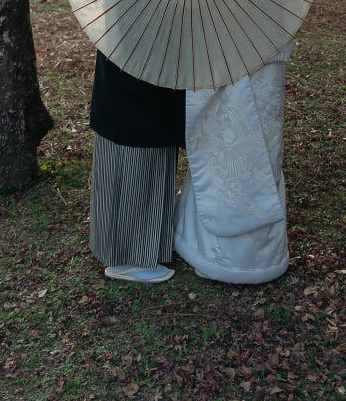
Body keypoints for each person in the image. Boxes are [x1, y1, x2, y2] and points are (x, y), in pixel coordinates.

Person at [174, 41, 293, 284]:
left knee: (253, 152)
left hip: (248, 57)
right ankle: (219, 251)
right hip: (237, 50)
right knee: (225, 150)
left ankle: (230, 256)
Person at [89, 49, 185, 283]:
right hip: (139, 70)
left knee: (143, 159)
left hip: (142, 64)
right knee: (136, 159)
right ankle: (130, 258)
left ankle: (131, 248)